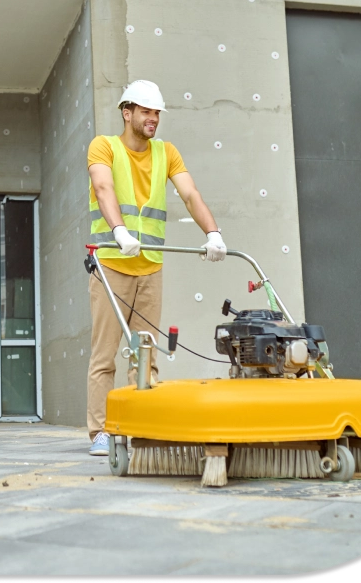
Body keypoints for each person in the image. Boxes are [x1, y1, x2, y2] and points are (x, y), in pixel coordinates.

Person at [86, 80, 227, 455]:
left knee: (145, 353)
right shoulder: (104, 146)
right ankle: (100, 431)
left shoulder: (167, 153)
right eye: (146, 111)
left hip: (150, 266)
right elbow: (103, 189)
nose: (153, 119)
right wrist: (118, 230)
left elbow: (190, 194)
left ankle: (142, 428)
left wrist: (213, 233)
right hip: (113, 264)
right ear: (126, 112)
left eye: (157, 113)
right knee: (105, 353)